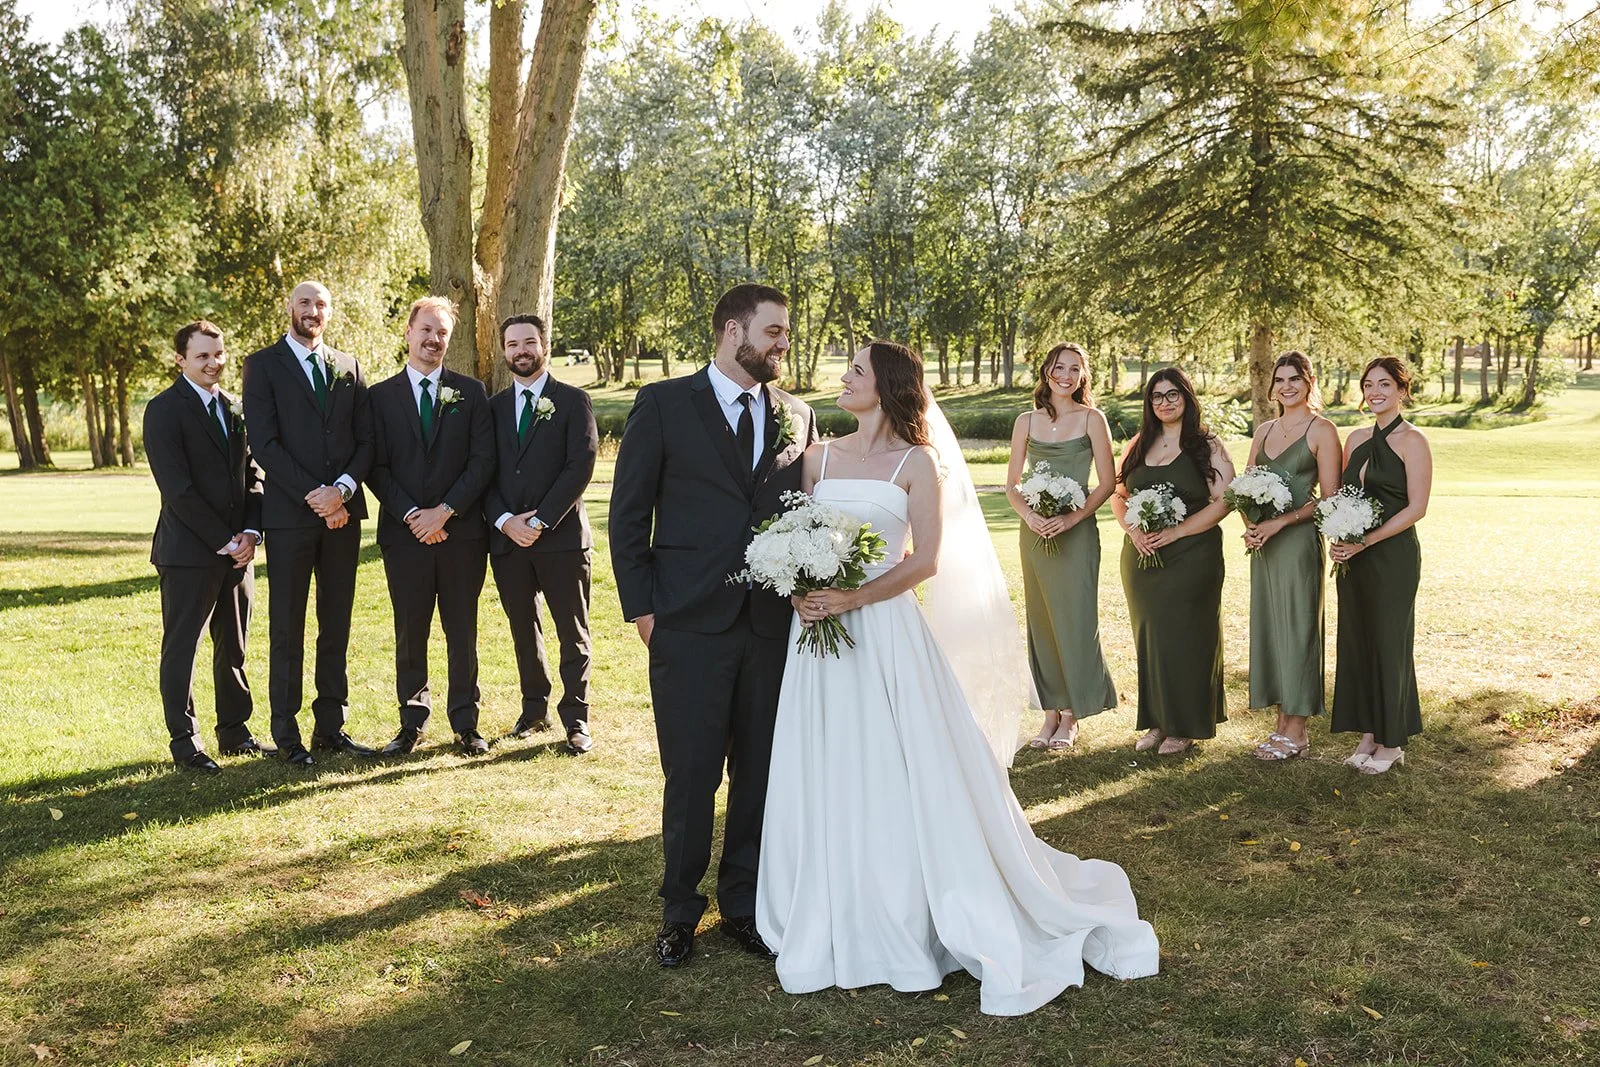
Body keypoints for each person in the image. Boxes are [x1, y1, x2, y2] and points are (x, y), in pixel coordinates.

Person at [756, 340, 1158, 1016]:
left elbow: (924, 562)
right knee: (828, 760)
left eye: (855, 370)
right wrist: (803, 589)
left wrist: (853, 598)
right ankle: (829, 895)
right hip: (818, 638)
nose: (843, 379)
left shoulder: (919, 463)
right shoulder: (815, 459)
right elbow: (798, 537)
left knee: (896, 765)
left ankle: (905, 905)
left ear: (885, 387)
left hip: (884, 633)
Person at [608, 283, 818, 968]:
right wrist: (644, 610)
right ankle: (678, 910)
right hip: (687, 623)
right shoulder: (664, 404)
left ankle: (744, 906)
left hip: (768, 627)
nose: (785, 343)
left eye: (785, 333)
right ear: (734, 330)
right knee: (692, 776)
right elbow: (628, 512)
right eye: (776, 331)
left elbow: (805, 517)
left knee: (758, 773)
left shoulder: (799, 415)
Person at [241, 281, 379, 766]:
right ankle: (286, 732)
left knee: (336, 623)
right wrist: (316, 496)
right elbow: (264, 443)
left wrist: (340, 490)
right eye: (305, 302)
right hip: (289, 517)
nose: (313, 311)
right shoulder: (262, 365)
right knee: (288, 625)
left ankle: (331, 727)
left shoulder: (349, 366)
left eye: (321, 304)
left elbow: (367, 441)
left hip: (344, 516)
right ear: (289, 308)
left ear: (330, 312)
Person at [366, 297, 495, 756]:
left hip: (461, 535)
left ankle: (466, 723)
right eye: (426, 329)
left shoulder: (471, 392)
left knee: (462, 631)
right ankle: (411, 722)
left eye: (442, 332)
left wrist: (445, 511)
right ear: (408, 331)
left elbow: (483, 462)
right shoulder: (379, 397)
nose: (433, 339)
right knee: (410, 629)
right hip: (404, 537)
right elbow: (375, 465)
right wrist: (413, 516)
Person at [142, 320, 267, 772]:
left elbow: (254, 475)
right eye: (202, 357)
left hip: (240, 552)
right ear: (181, 360)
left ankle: (234, 732)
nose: (213, 364)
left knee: (233, 645)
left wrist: (251, 535)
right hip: (189, 553)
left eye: (218, 355)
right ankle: (186, 744)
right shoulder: (163, 410)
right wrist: (223, 540)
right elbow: (177, 489)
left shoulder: (235, 407)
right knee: (183, 648)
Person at [485, 313, 600, 754]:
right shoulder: (492, 408)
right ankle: (534, 710)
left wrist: (539, 520)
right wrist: (505, 521)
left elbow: (581, 466)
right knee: (522, 627)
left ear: (545, 345)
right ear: (504, 351)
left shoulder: (573, 401)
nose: (521, 351)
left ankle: (577, 719)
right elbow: (483, 471)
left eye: (529, 342)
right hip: (508, 540)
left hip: (562, 538)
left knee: (572, 631)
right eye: (512, 344)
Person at [1110, 368, 1235, 755]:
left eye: (1172, 395)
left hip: (1192, 555)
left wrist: (1178, 532)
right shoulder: (1138, 443)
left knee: (1188, 636)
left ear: (1187, 397)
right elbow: (1118, 494)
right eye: (1157, 396)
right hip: (1143, 558)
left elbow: (1226, 499)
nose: (1164, 402)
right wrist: (1133, 530)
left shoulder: (1206, 444)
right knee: (1152, 639)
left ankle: (1185, 725)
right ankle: (1158, 721)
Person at [1005, 343, 1118, 750]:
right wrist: (1030, 516)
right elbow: (1013, 484)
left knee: (1075, 619)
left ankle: (1071, 714)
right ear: (1046, 371)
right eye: (1059, 367)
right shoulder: (1025, 421)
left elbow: (1107, 482)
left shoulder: (1093, 418)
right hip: (1034, 534)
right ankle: (1050, 710)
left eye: (1074, 369)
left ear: (1083, 376)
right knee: (1042, 620)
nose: (1065, 376)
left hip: (1077, 532)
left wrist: (1070, 518)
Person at [1331, 356, 1431, 774]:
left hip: (1392, 557)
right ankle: (1369, 734)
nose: (1375, 392)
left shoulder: (1413, 440)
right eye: (1368, 384)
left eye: (1384, 385)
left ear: (1402, 391)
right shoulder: (1354, 440)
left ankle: (1392, 741)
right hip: (1353, 558)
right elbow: (1341, 500)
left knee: (1389, 642)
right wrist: (1339, 536)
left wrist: (1366, 541)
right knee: (1359, 641)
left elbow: (1417, 508)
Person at [1241, 352, 1341, 760]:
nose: (1286, 386)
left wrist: (1281, 523)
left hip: (1297, 543)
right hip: (1263, 546)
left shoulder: (1322, 430)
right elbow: (1245, 486)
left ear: (1309, 382)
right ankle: (1280, 723)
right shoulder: (1264, 429)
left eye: (1295, 379)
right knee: (1271, 630)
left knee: (1298, 629)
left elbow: (1330, 499)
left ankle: (1297, 730)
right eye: (1280, 379)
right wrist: (1250, 523)